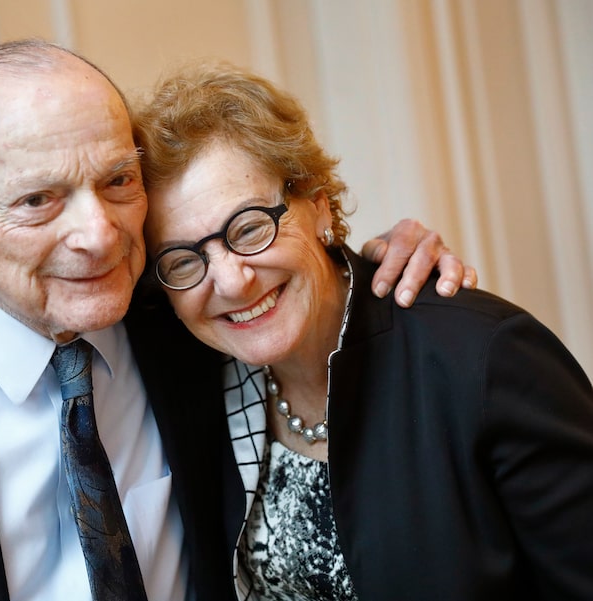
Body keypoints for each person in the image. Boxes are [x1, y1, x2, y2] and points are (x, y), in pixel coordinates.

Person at [0, 39, 471, 601]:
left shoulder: (179, 303)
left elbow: (277, 270)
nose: (99, 235)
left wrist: (375, 268)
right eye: (39, 199)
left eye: (117, 181)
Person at [134, 61, 593, 601]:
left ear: (318, 204)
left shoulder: (486, 358)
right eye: (184, 260)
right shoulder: (190, 379)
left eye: (251, 227)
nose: (232, 281)